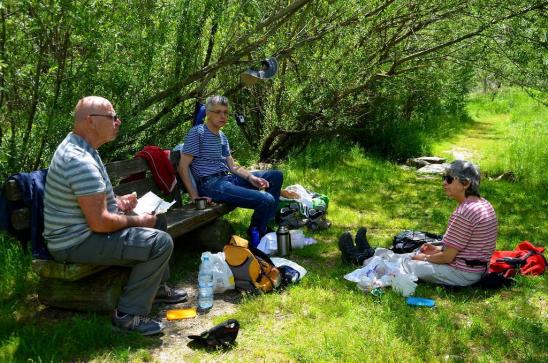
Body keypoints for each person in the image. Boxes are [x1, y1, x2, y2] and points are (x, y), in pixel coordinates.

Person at [43, 96, 186, 335]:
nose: (117, 121)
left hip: (83, 230)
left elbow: (89, 203)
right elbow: (99, 223)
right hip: (74, 242)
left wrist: (119, 202)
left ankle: (157, 288)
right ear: (91, 121)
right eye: (112, 117)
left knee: (157, 219)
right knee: (159, 242)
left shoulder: (85, 148)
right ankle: (128, 315)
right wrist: (138, 220)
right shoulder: (78, 160)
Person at [338, 160, 498, 287]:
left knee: (406, 263)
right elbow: (464, 247)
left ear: (465, 183)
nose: (444, 183)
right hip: (472, 269)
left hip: (461, 273)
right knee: (411, 255)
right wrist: (435, 249)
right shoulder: (483, 204)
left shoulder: (465, 212)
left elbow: (448, 257)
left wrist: (426, 258)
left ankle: (358, 258)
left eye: (449, 179)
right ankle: (371, 252)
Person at [177, 95, 283, 237]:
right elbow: (182, 167)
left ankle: (265, 223)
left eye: (225, 112)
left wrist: (251, 177)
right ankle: (256, 232)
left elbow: (233, 166)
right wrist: (195, 198)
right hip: (211, 185)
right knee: (266, 200)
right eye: (218, 112)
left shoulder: (222, 136)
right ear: (208, 113)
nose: (223, 116)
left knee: (276, 176)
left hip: (228, 179)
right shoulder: (198, 133)